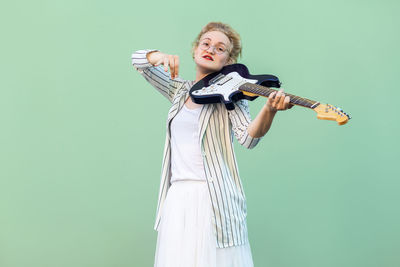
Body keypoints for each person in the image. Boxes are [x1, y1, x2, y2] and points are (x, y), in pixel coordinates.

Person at [131, 21, 292, 267]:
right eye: (206, 44)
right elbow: (139, 62)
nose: (211, 50)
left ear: (228, 62)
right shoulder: (179, 91)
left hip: (212, 199)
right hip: (177, 199)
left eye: (220, 48)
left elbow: (248, 139)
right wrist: (158, 56)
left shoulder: (232, 99)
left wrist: (270, 109)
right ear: (195, 50)